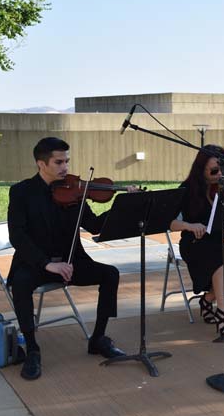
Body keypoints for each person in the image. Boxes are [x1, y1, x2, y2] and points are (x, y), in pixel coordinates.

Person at [8, 137, 134, 381]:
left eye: (67, 161)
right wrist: (47, 263)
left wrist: (123, 205)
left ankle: (97, 339)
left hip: (72, 261)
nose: (65, 167)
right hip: (37, 263)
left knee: (110, 274)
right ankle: (33, 349)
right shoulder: (21, 192)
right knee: (21, 284)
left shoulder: (75, 191)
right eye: (58, 162)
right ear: (41, 164)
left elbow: (95, 225)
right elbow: (18, 236)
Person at [169, 145, 224, 336]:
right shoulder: (187, 189)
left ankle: (207, 301)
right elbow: (170, 222)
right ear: (201, 168)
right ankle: (223, 316)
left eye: (223, 170)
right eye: (214, 171)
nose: (220, 175)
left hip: (220, 239)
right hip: (195, 243)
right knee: (222, 266)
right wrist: (190, 225)